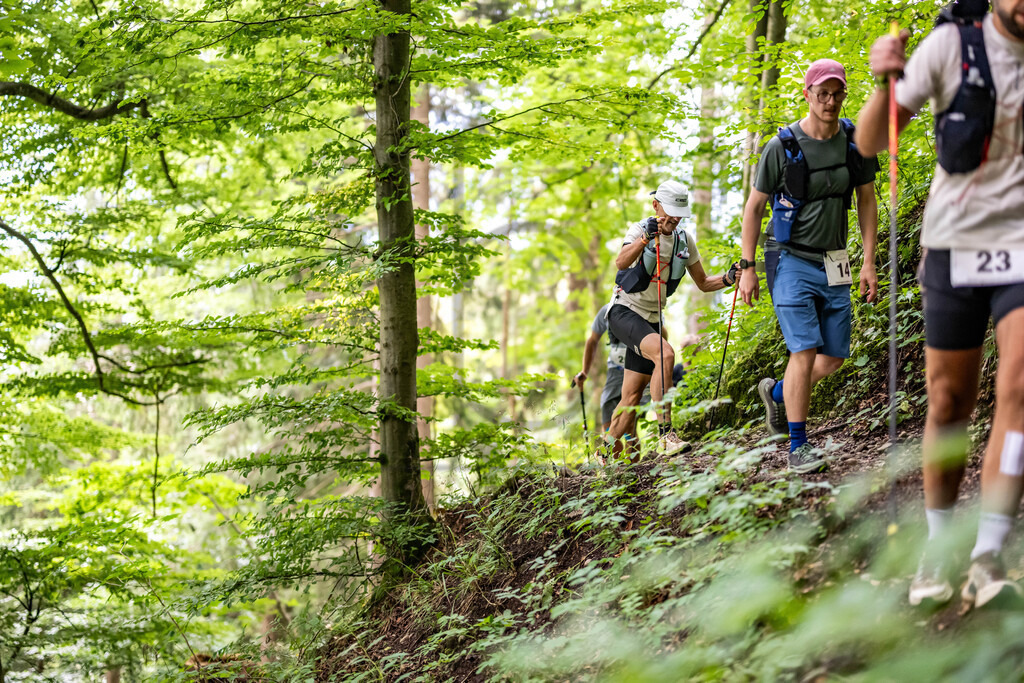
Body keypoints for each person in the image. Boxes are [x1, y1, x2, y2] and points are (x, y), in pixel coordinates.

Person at [856, 0, 1024, 608]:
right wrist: (885, 81)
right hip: (955, 243)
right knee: (948, 399)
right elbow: (872, 141)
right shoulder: (953, 45)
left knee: (1019, 387)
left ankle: (989, 554)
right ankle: (940, 545)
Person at [738, 58, 879, 474]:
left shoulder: (854, 141)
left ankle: (778, 393)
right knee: (804, 350)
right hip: (791, 260)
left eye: (837, 94)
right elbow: (754, 208)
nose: (830, 101)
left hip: (836, 261)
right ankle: (798, 447)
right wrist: (748, 267)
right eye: (822, 94)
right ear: (807, 94)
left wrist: (868, 261)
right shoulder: (781, 147)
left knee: (833, 358)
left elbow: (867, 200)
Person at [606, 179, 738, 460]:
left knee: (630, 398)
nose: (675, 219)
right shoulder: (640, 229)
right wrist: (644, 240)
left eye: (680, 213)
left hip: (651, 320)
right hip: (624, 312)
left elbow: (703, 282)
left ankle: (602, 453)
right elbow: (620, 262)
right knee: (666, 354)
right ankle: (665, 435)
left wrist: (728, 278)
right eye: (670, 212)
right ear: (656, 206)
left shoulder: (684, 239)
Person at [573, 303, 648, 433]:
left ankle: (630, 450)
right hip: (616, 370)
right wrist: (584, 371)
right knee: (608, 420)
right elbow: (592, 340)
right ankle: (611, 451)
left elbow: (662, 334)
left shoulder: (646, 306)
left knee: (629, 422)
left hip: (638, 369)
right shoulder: (608, 310)